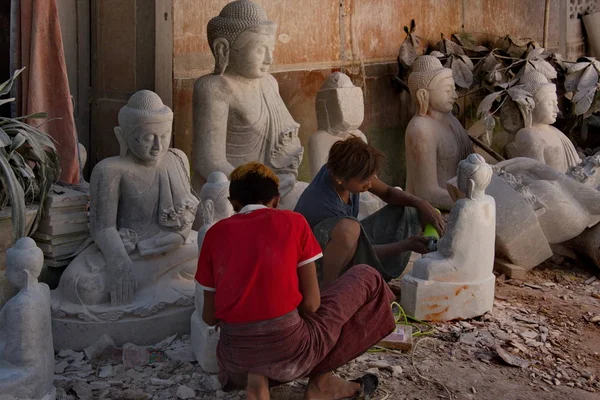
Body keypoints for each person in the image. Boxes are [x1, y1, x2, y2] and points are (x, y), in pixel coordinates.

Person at [195, 162, 396, 400]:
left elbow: (209, 317)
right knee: (367, 276)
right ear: (277, 200)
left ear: (233, 203)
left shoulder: (214, 234)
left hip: (234, 359)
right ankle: (321, 383)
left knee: (266, 327)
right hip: (290, 351)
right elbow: (312, 305)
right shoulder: (293, 222)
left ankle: (257, 377)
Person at [294, 137, 446, 287]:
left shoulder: (339, 170)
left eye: (371, 177)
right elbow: (356, 252)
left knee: (411, 208)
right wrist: (406, 245)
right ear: (340, 178)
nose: (369, 183)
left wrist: (422, 203)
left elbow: (387, 193)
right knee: (350, 229)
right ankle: (332, 290)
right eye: (364, 180)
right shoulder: (324, 206)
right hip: (321, 264)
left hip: (349, 244)